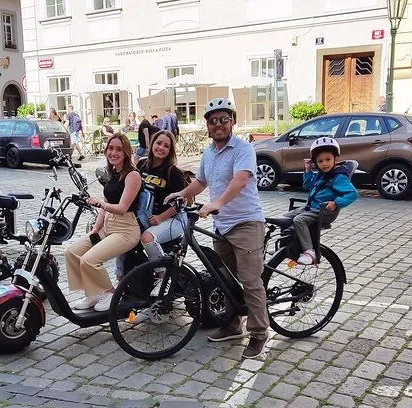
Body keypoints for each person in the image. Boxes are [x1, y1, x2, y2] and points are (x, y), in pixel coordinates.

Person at [164, 98, 269, 359]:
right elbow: (201, 181)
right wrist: (182, 193)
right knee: (225, 279)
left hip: (246, 222)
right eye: (213, 121)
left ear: (232, 121)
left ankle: (259, 333)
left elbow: (240, 181)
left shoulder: (243, 149)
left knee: (250, 281)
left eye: (224, 119)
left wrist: (216, 204)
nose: (218, 124)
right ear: (207, 125)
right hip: (222, 226)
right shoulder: (209, 153)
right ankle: (233, 325)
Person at [66, 134, 141, 312]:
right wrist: (96, 227)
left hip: (125, 229)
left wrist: (101, 203)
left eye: (119, 149)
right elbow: (106, 204)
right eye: (110, 148)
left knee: (89, 260)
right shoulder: (113, 172)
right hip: (107, 225)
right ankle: (92, 293)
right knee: (72, 253)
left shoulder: (132, 175)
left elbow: (122, 208)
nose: (113, 152)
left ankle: (110, 293)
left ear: (126, 152)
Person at [115, 130, 187, 293]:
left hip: (173, 219)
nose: (161, 148)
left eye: (166, 146)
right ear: (152, 143)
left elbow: (180, 203)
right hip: (145, 217)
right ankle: (120, 280)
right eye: (158, 143)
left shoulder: (173, 172)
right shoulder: (141, 164)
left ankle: (163, 278)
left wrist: (161, 217)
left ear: (170, 150)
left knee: (147, 238)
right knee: (123, 236)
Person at [283, 137, 358, 265]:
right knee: (285, 218)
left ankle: (309, 252)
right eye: (320, 161)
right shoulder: (321, 175)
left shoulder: (338, 177)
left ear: (336, 159)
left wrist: (336, 203)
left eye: (328, 160)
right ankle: (286, 245)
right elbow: (307, 186)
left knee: (299, 220)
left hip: (325, 212)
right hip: (312, 208)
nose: (324, 164)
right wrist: (308, 170)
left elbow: (352, 194)